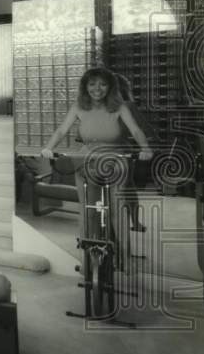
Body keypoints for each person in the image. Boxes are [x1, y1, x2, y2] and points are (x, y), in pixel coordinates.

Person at [40, 67, 153, 255]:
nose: (97, 88)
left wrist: (145, 148)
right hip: (87, 159)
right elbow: (61, 130)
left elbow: (135, 130)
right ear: (85, 87)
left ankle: (125, 256)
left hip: (115, 159)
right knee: (87, 212)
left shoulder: (120, 107)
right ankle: (87, 259)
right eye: (92, 84)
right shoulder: (78, 106)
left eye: (102, 84)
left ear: (110, 87)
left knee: (117, 210)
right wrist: (48, 148)